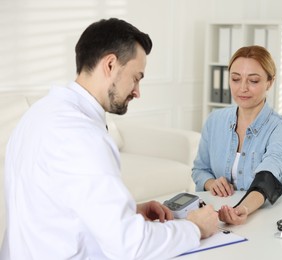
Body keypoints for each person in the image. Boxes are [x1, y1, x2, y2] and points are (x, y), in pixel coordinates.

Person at [0, 18, 218, 260]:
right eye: (136, 77)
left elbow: (54, 209)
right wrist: (194, 227)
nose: (137, 91)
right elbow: (129, 246)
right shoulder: (83, 136)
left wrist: (129, 212)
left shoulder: (37, 115)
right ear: (111, 64)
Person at [192, 45, 282, 225]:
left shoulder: (281, 128)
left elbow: (268, 178)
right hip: (222, 215)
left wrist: (243, 209)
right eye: (235, 79)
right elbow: (199, 170)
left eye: (253, 81)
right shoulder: (215, 121)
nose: (242, 88)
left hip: (269, 217)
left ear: (270, 82)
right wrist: (210, 183)